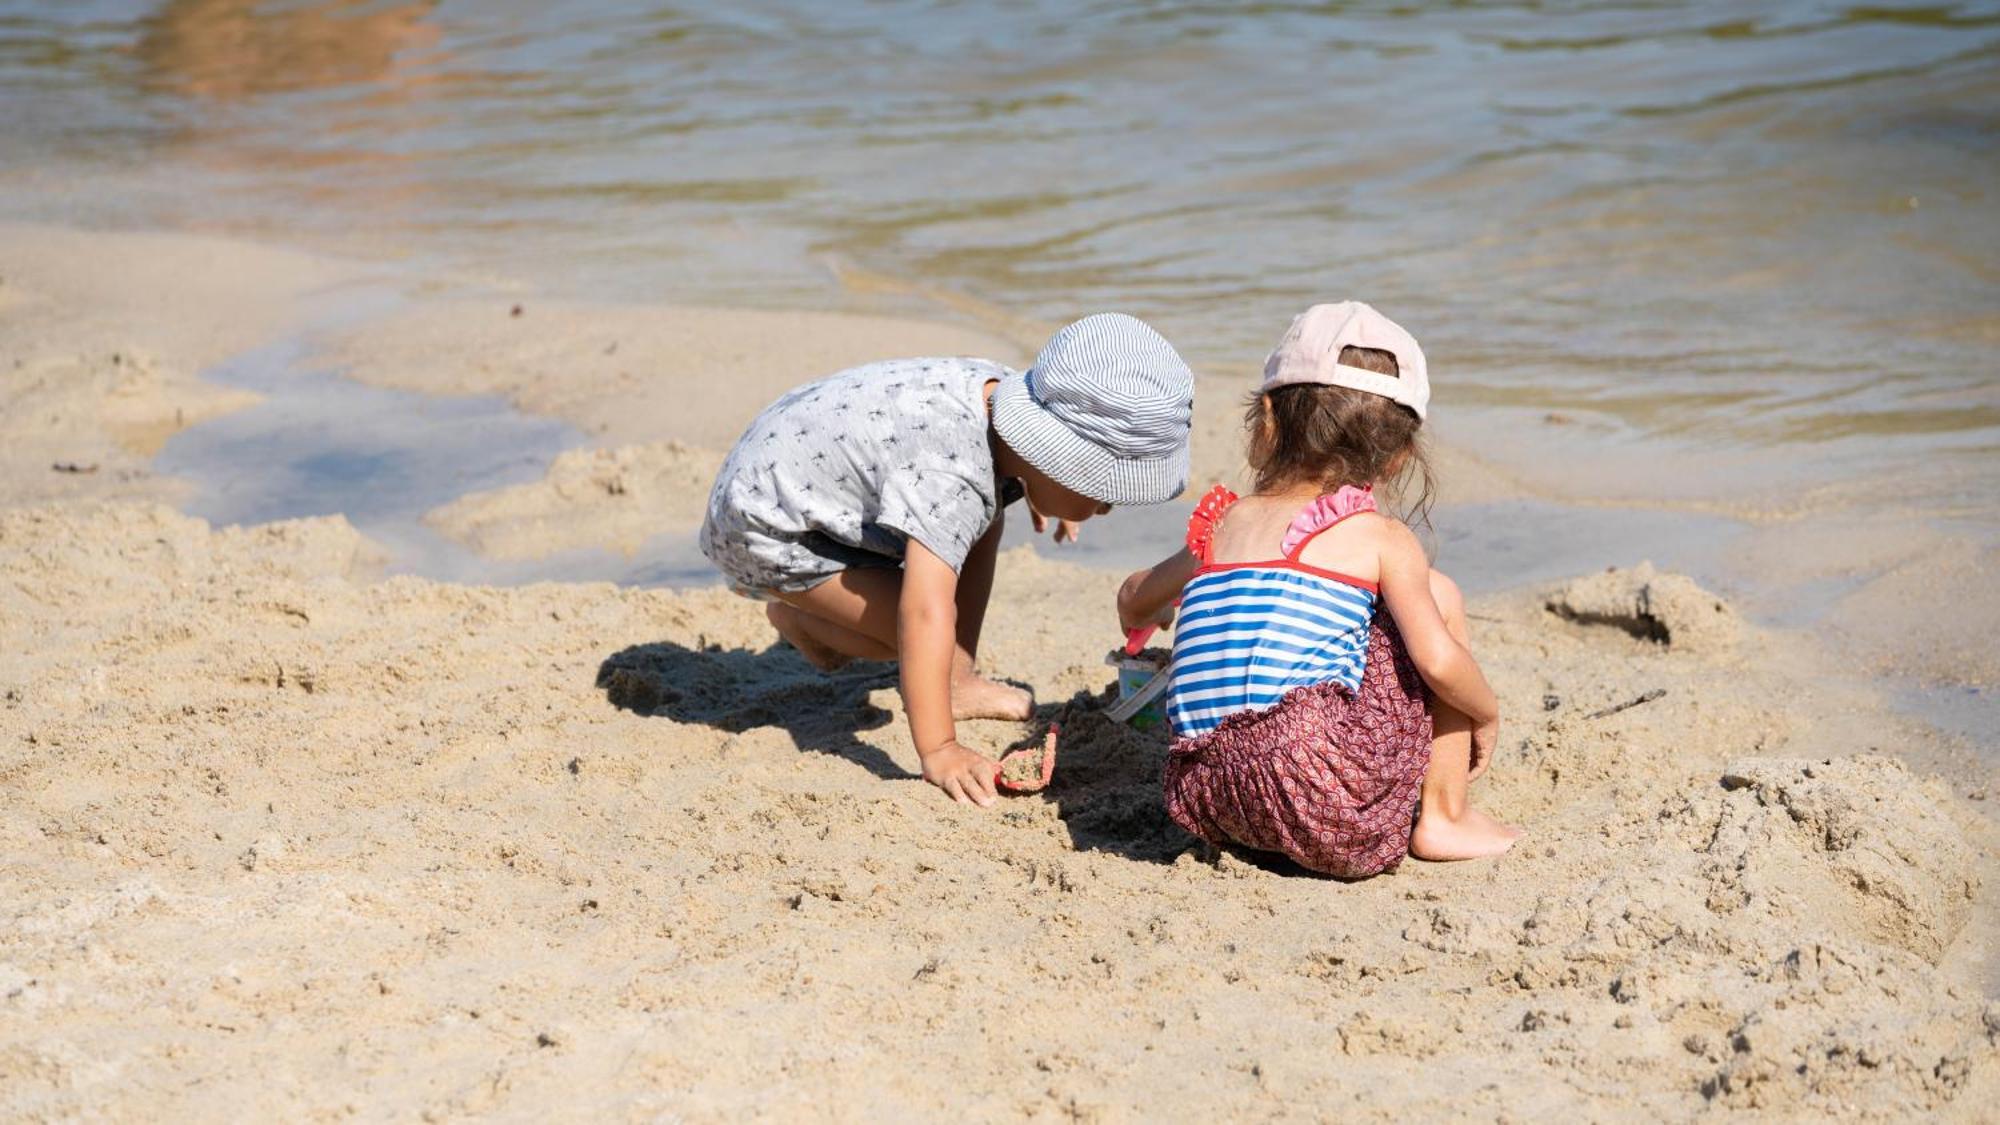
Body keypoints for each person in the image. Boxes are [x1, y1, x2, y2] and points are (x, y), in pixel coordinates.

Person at [701, 314, 1195, 807]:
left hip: (797, 464)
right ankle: (798, 619)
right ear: (1054, 459)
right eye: (1101, 492)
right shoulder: (953, 477)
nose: (1106, 507)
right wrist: (939, 749)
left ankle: (956, 681)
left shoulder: (1000, 395)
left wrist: (1052, 493)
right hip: (766, 524)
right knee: (909, 638)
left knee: (987, 512)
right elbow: (923, 612)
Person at [1115, 301, 1520, 875]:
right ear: (1401, 455)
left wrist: (1150, 610)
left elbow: (1134, 600)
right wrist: (1485, 711)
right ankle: (1446, 814)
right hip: (1324, 800)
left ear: (1267, 423)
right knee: (1439, 596)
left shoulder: (1222, 525)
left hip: (1202, 795)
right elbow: (1437, 663)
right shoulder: (1379, 536)